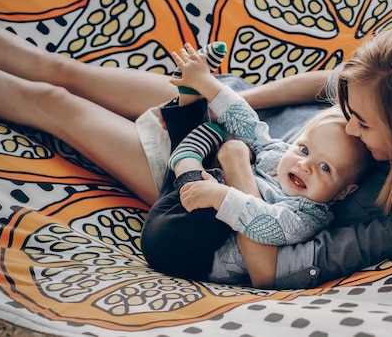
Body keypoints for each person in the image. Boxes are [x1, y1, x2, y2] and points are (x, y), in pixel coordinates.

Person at [0, 19, 392, 289]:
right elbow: (324, 83)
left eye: (361, 125)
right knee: (62, 72)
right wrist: (227, 98)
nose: (351, 129)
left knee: (53, 103)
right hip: (244, 124)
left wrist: (236, 169)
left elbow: (273, 268)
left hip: (216, 195)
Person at [141, 42, 373, 283]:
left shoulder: (309, 215)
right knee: (213, 144)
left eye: (325, 168)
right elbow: (249, 124)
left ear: (344, 191)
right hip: (185, 197)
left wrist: (218, 195)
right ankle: (192, 96)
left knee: (214, 166)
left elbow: (265, 222)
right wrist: (210, 85)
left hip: (191, 254)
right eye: (304, 149)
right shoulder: (278, 155)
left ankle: (188, 146)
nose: (305, 165)